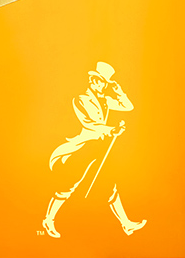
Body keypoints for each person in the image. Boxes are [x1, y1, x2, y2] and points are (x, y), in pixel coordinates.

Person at [43, 62, 146, 238]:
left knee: (110, 186)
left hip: (100, 149)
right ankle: (48, 220)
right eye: (96, 80)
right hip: (83, 148)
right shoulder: (81, 99)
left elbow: (128, 106)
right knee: (68, 185)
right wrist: (111, 130)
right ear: (91, 80)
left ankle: (126, 224)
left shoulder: (105, 100)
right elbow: (90, 124)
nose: (98, 84)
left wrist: (118, 90)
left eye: (102, 82)